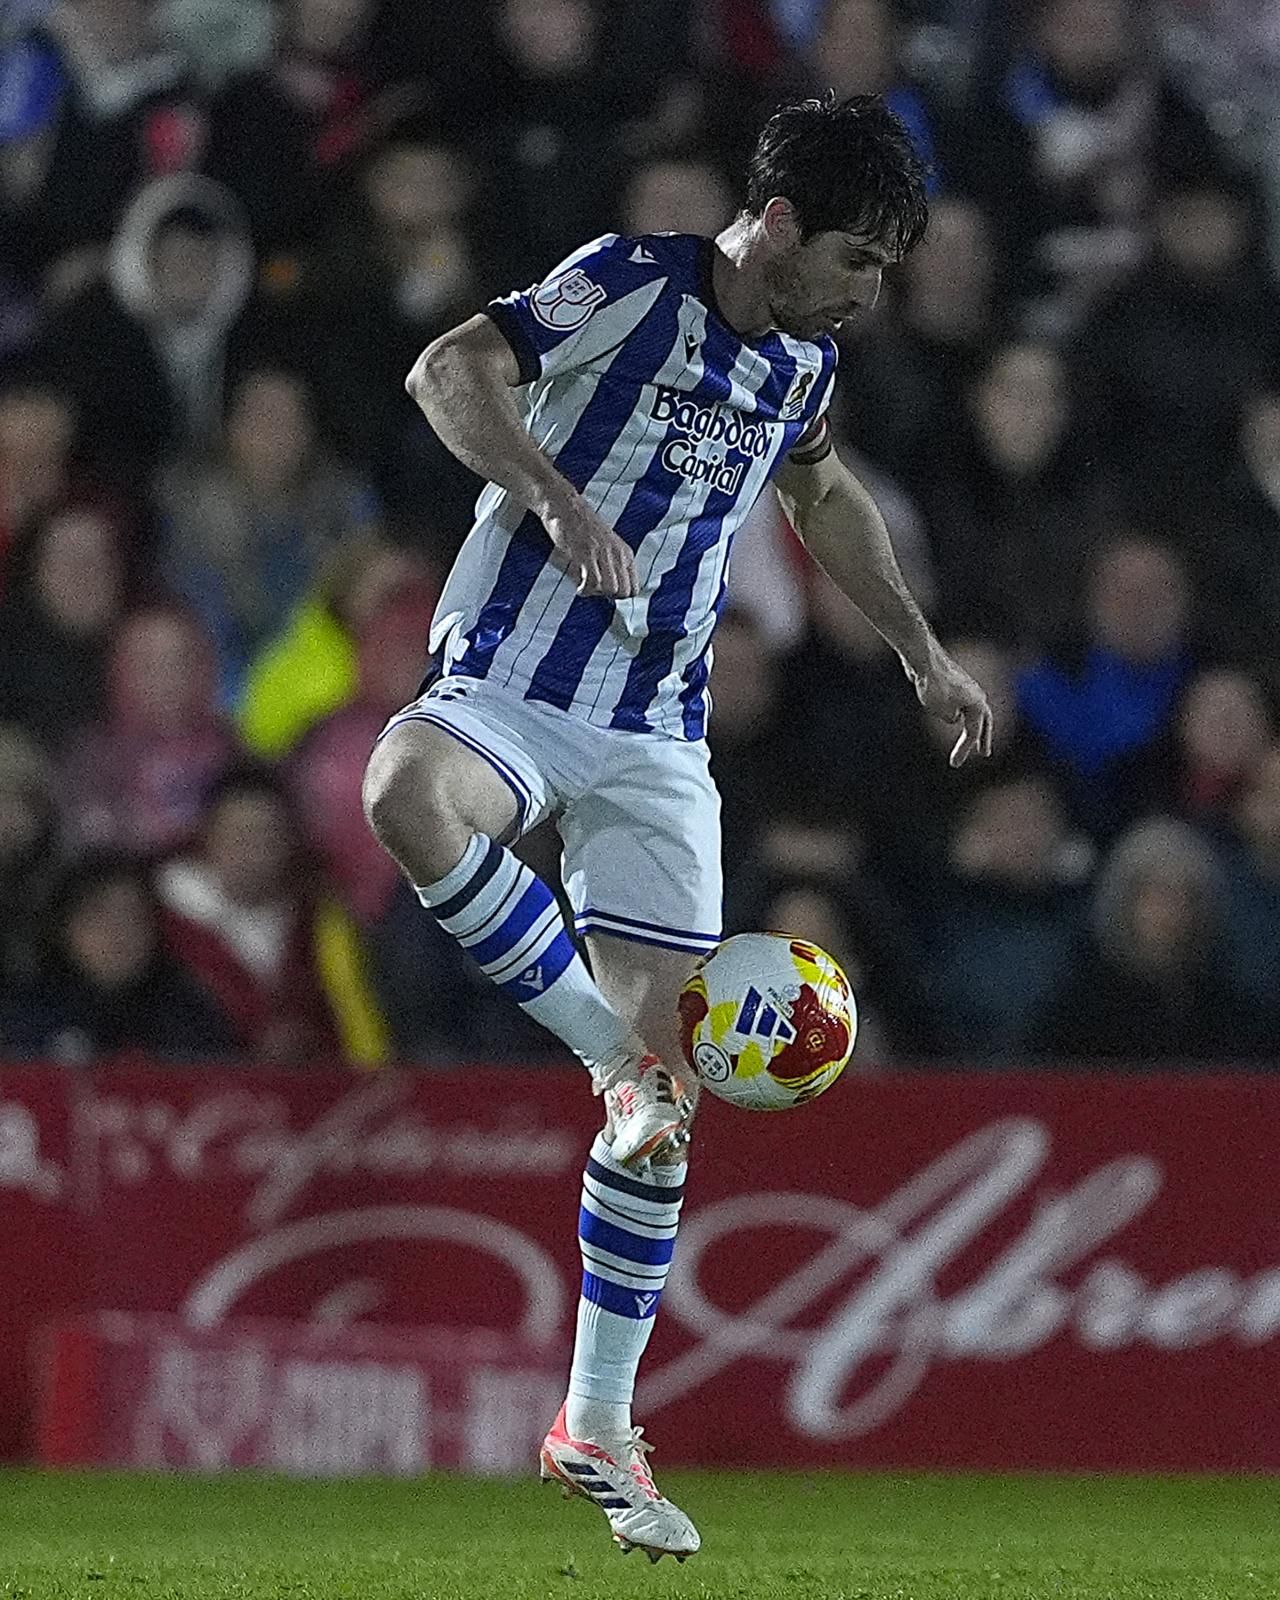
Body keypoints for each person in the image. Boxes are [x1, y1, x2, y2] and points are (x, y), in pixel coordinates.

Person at [362, 94, 991, 1560]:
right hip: (514, 683)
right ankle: (608, 1057)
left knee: (667, 1120)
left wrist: (920, 650)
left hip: (658, 737)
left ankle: (594, 1424)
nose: (867, 293)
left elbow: (823, 499)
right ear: (777, 224)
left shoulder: (804, 360)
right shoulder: (630, 281)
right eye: (855, 259)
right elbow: (448, 369)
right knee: (405, 792)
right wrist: (551, 496)